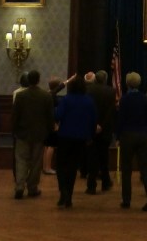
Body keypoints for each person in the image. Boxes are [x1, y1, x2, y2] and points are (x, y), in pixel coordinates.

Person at [54, 74, 98, 208]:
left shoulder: (67, 99)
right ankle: (69, 195)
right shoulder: (89, 101)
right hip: (81, 137)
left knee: (61, 165)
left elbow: (57, 115)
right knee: (73, 167)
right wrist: (90, 136)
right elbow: (93, 120)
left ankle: (63, 191)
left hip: (65, 136)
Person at [116, 71, 147, 211]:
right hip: (142, 135)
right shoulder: (144, 98)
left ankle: (126, 199)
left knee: (126, 169)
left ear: (127, 83)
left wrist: (117, 137)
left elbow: (120, 120)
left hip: (127, 135)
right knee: (145, 167)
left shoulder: (124, 99)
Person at [11, 69, 54, 200]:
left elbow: (15, 116)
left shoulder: (20, 96)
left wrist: (14, 131)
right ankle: (32, 187)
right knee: (36, 162)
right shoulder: (46, 96)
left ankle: (19, 186)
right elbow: (49, 117)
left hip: (23, 133)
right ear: (38, 80)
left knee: (21, 160)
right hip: (39, 134)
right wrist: (49, 132)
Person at [85, 69, 116, 194]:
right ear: (105, 79)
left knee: (92, 157)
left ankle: (91, 185)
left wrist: (94, 124)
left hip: (91, 128)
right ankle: (105, 183)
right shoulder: (111, 91)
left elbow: (87, 110)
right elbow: (110, 112)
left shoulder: (88, 91)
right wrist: (101, 125)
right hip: (105, 129)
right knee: (104, 157)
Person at [43, 75, 65, 175]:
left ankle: (45, 167)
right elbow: (53, 112)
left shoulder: (47, 94)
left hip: (46, 124)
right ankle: (48, 167)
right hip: (52, 124)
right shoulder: (53, 96)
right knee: (51, 146)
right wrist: (55, 123)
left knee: (46, 146)